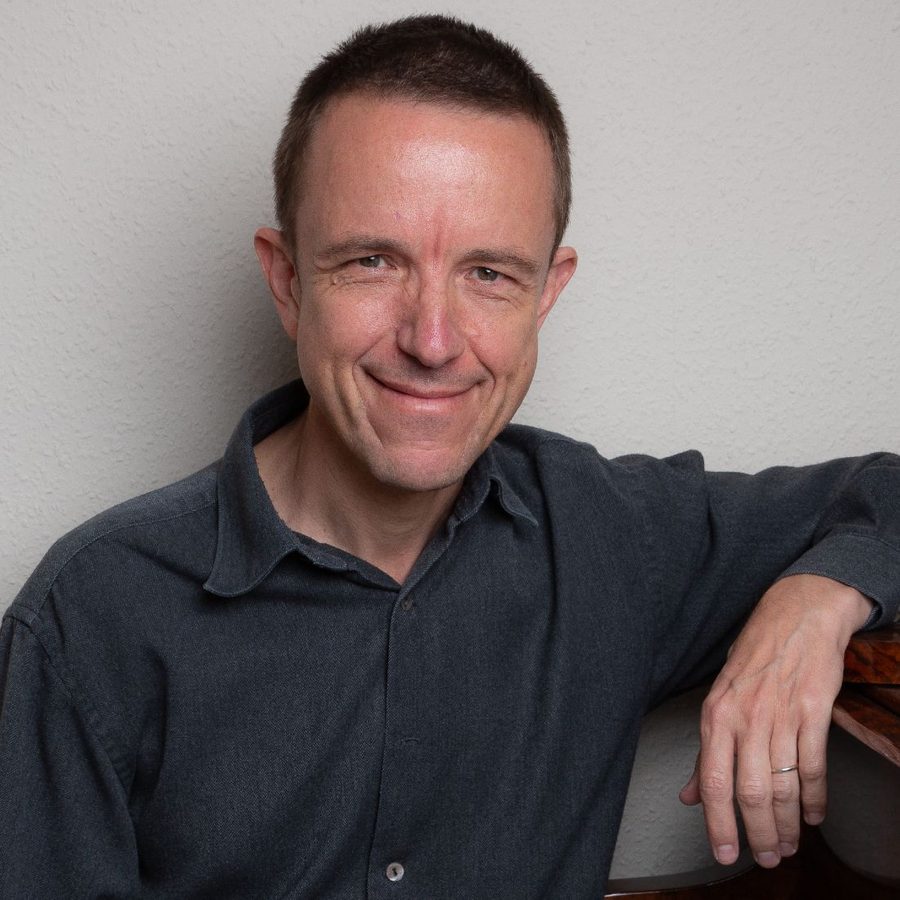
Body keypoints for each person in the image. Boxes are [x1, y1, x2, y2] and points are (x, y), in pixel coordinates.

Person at [1, 14, 897, 899]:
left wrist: (815, 600)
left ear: (548, 293)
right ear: (285, 280)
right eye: (372, 262)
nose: (433, 341)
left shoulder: (611, 535)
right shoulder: (91, 622)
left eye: (489, 274)